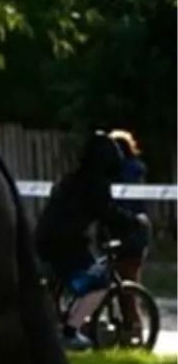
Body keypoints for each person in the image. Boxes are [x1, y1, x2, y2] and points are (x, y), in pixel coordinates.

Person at [35, 131, 148, 351]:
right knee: (98, 284)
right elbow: (107, 212)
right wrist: (135, 222)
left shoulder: (71, 179)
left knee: (70, 280)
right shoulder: (95, 183)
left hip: (47, 237)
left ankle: (60, 321)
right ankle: (70, 332)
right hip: (67, 242)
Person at [107, 129, 151, 338]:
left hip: (128, 234)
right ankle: (133, 329)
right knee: (127, 285)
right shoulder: (134, 172)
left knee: (126, 286)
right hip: (135, 233)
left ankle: (134, 329)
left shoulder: (122, 174)